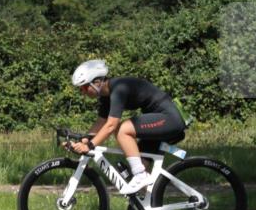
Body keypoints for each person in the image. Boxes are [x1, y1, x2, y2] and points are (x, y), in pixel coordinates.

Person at [69, 60, 186, 194]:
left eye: (83, 87)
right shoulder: (106, 97)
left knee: (123, 129)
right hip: (159, 121)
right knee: (137, 165)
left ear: (97, 82)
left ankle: (140, 175)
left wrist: (90, 146)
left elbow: (110, 125)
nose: (82, 92)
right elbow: (101, 123)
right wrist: (82, 141)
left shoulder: (119, 89)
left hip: (169, 118)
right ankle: (152, 209)